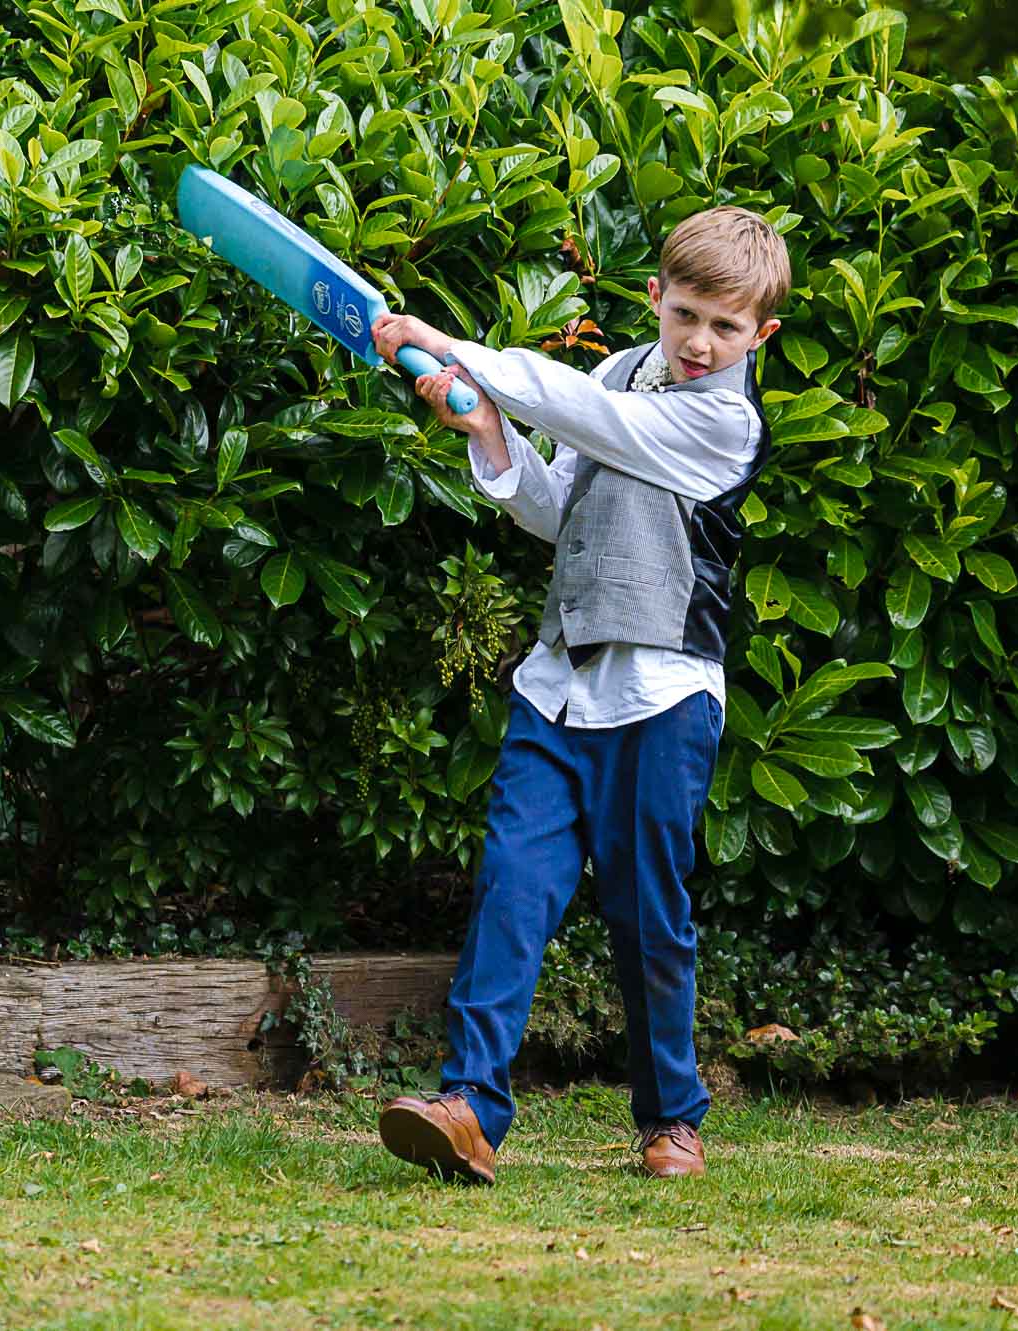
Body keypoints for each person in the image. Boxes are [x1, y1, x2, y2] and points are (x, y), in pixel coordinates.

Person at [364, 206, 788, 1181]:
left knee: (648, 916)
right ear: (654, 297)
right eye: (685, 314)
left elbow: (601, 423)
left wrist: (451, 344)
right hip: (556, 685)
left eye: (726, 328)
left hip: (665, 692)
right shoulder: (611, 371)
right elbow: (562, 509)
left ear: (759, 335)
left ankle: (671, 1117)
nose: (699, 341)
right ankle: (469, 1105)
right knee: (512, 888)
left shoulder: (723, 420)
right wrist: (489, 431)